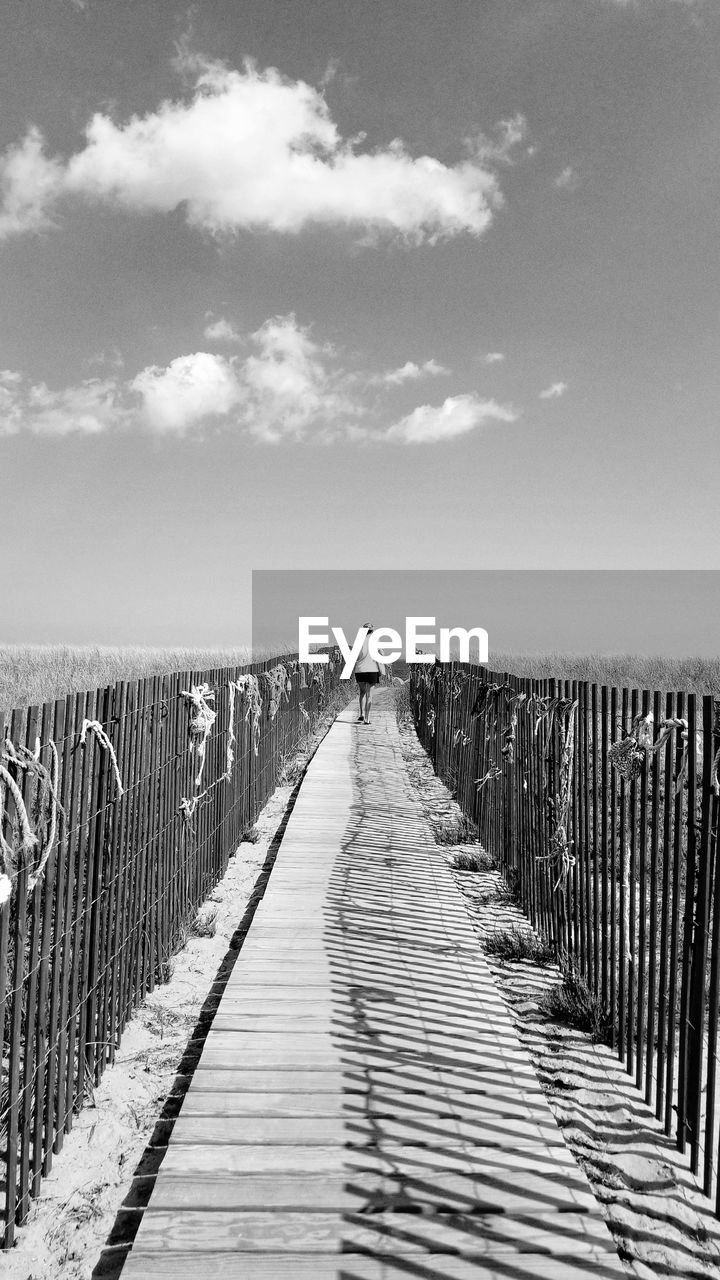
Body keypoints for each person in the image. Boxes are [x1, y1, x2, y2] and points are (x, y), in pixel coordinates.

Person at [353, 623, 385, 724]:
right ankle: (367, 719)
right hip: (372, 670)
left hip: (360, 670)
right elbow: (382, 653)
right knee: (369, 695)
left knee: (362, 692)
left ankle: (361, 714)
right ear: (373, 630)